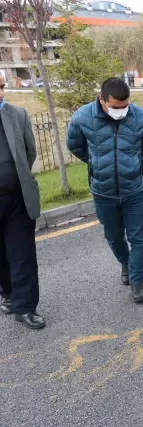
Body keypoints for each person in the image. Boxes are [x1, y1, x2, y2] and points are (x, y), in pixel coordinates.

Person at [67, 77, 143, 303]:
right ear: (102, 100)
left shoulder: (141, 117)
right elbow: (75, 144)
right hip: (103, 192)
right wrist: (97, 164)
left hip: (134, 191)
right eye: (116, 107)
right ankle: (125, 263)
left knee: (138, 238)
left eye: (125, 106)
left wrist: (137, 165)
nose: (121, 111)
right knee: (113, 236)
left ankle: (137, 281)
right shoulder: (82, 117)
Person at [0, 75, 45, 329]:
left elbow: (29, 153)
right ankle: (7, 292)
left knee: (22, 254)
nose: (1, 94)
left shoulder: (18, 115)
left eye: (2, 87)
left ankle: (25, 306)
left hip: (17, 198)